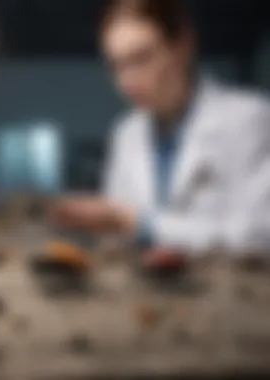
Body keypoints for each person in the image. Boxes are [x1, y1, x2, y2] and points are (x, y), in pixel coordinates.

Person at [50, 0, 270, 262]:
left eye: (142, 58)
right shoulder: (126, 133)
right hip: (144, 297)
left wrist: (144, 225)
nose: (127, 81)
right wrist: (93, 224)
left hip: (230, 298)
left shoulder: (248, 119)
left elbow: (259, 235)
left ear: (183, 46)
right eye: (116, 65)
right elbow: (117, 235)